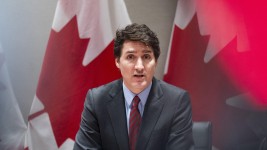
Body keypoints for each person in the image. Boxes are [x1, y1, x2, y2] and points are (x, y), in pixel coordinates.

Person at [74, 23, 194, 150]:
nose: (139, 67)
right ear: (117, 62)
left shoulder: (176, 101)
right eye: (130, 57)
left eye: (146, 57)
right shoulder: (97, 100)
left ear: (156, 62)